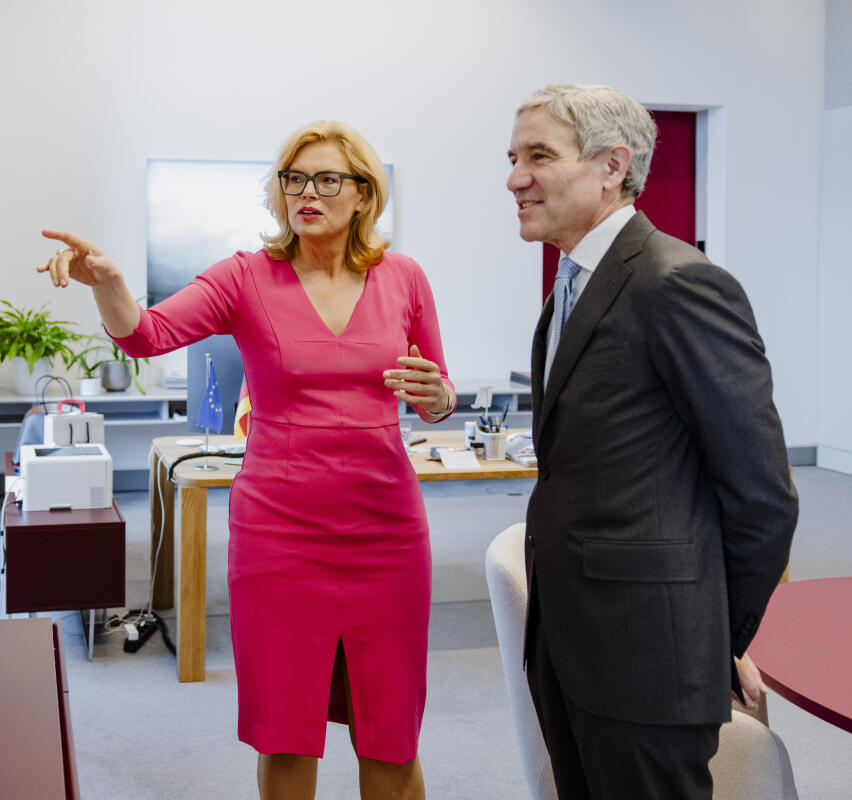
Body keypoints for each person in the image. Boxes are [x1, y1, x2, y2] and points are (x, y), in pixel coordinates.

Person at [39, 121, 454, 800]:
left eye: (327, 179)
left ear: (363, 193)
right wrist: (107, 283)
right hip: (280, 535)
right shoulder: (245, 277)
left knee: (391, 731)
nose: (307, 193)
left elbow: (436, 391)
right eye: (294, 179)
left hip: (387, 532)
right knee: (285, 731)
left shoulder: (404, 278)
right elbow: (147, 335)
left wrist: (439, 397)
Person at [505, 83, 797, 798]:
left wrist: (711, 639)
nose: (515, 179)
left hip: (650, 660)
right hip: (572, 641)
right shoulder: (571, 285)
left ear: (613, 165)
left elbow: (761, 496)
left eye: (539, 156)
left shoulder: (677, 283)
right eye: (512, 158)